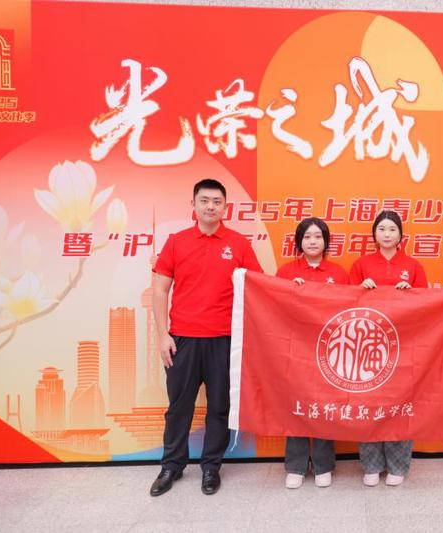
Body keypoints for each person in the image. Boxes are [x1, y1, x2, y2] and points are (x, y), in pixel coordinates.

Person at [149, 178, 263, 497]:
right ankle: (171, 465)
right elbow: (160, 290)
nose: (210, 206)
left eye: (217, 202)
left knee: (219, 407)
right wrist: (163, 335)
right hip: (182, 339)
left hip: (224, 340)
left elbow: (258, 286)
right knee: (178, 407)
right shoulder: (177, 242)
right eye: (205, 200)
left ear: (225, 207)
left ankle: (211, 467)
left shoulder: (239, 244)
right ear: (194, 205)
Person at [349, 210, 428, 487]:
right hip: (367, 345)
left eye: (392, 229)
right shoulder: (361, 264)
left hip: (403, 345)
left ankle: (398, 465)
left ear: (400, 236)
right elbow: (344, 304)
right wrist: (359, 289)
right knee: (368, 404)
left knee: (400, 404)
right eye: (381, 229)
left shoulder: (413, 266)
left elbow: (428, 305)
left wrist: (411, 293)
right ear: (374, 234)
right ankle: (371, 464)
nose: (386, 234)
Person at [276, 217, 349, 489]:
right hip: (294, 349)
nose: (313, 241)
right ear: (299, 242)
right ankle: (295, 465)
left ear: (326, 241)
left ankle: (323, 464)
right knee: (296, 404)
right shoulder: (286, 272)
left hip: (327, 350)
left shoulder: (339, 273)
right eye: (307, 237)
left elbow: (349, 308)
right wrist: (288, 292)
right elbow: (272, 307)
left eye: (318, 236)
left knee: (323, 405)